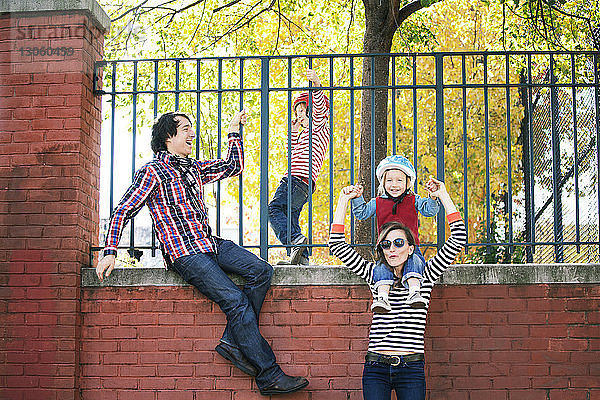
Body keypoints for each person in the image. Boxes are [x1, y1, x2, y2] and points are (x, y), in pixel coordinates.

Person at [96, 110, 309, 396]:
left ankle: (234, 341)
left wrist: (234, 130)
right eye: (185, 129)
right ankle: (269, 375)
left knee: (262, 271)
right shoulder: (152, 172)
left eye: (191, 128)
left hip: (209, 243)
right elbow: (123, 210)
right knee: (236, 301)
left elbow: (234, 166)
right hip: (184, 253)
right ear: (168, 137)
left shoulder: (193, 167)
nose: (191, 134)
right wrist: (109, 252)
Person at [329, 178, 466, 400]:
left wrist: (443, 194)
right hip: (376, 368)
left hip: (410, 369)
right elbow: (336, 244)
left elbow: (458, 237)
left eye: (399, 243)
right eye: (386, 244)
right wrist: (344, 200)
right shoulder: (374, 274)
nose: (392, 249)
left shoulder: (425, 276)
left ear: (411, 248)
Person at [346, 155, 440, 312]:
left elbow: (430, 210)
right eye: (389, 180)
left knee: (416, 261)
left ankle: (414, 293)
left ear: (407, 183)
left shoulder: (413, 199)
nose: (394, 185)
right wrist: (357, 198)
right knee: (380, 267)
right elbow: (361, 213)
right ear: (383, 182)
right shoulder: (377, 202)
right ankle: (382, 297)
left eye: (399, 180)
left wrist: (432, 196)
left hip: (410, 248)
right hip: (387, 249)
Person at [268, 69, 330, 265]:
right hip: (302, 182)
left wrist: (317, 85)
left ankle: (293, 242)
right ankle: (301, 259)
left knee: (273, 209)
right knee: (290, 218)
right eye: (297, 113)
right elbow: (292, 153)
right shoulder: (305, 134)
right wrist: (293, 132)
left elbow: (320, 108)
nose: (300, 116)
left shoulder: (320, 126)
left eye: (303, 111)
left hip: (295, 179)